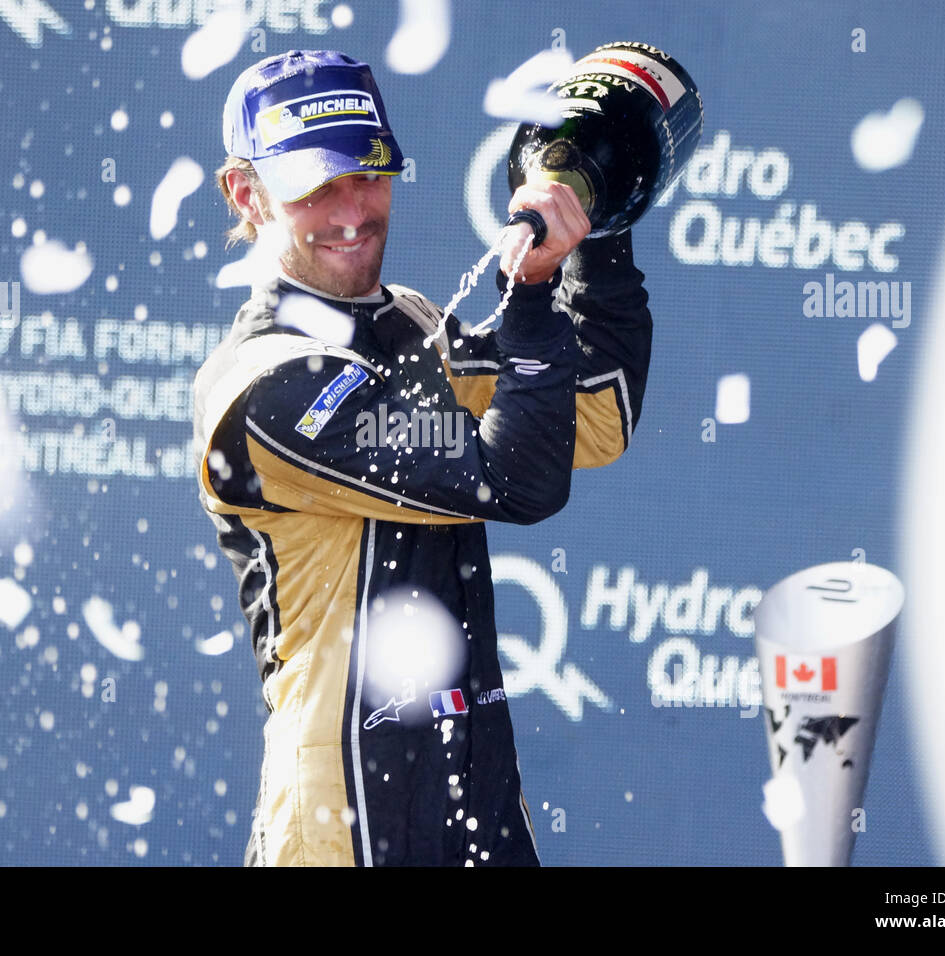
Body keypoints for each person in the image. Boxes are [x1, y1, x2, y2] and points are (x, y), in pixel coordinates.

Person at [192, 49, 653, 866]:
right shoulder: (258, 389)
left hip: (473, 793)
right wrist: (535, 293)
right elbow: (509, 478)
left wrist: (597, 223)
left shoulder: (408, 319)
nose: (351, 211)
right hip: (338, 820)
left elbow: (595, 415)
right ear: (245, 193)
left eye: (367, 175)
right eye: (315, 184)